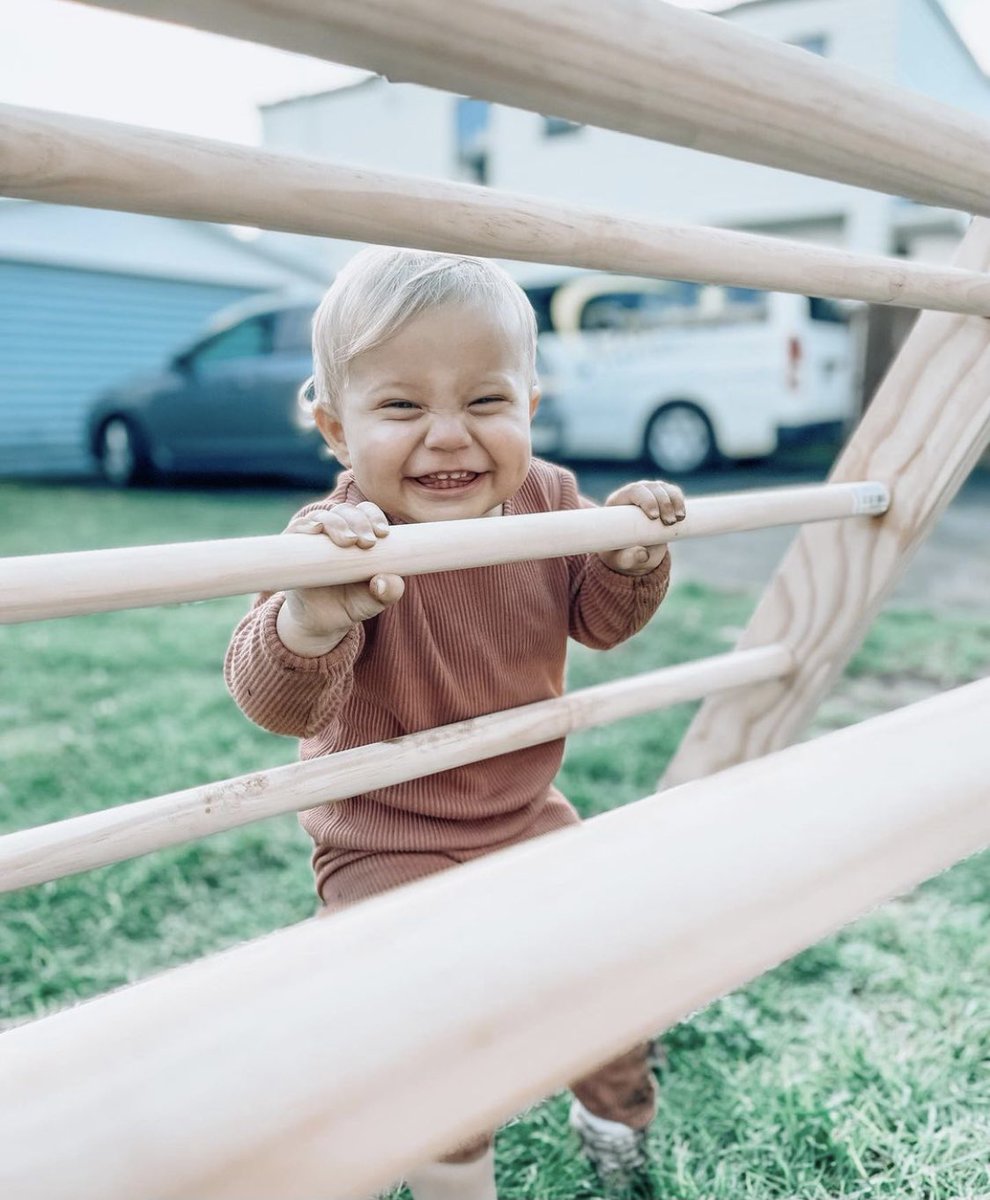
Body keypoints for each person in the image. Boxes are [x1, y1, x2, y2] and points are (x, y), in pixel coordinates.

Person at [224, 247, 686, 1200]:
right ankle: (452, 1172)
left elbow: (599, 624)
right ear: (335, 429)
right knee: (439, 1043)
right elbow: (277, 704)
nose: (449, 437)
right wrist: (312, 616)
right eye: (401, 407)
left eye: (485, 403)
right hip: (384, 837)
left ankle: (614, 1119)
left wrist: (629, 560)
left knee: (613, 971)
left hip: (525, 811)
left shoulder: (551, 501)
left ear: (530, 405)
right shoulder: (336, 540)